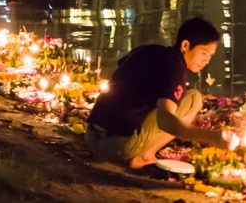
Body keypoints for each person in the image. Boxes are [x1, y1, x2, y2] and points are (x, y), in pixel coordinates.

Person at [86, 17, 230, 171]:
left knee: (178, 99)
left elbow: (113, 71)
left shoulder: (149, 50)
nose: (207, 60)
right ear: (185, 45)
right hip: (116, 146)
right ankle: (145, 156)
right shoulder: (174, 66)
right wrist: (212, 137)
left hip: (92, 135)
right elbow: (166, 122)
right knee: (193, 98)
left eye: (210, 55)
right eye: (203, 53)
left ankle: (137, 149)